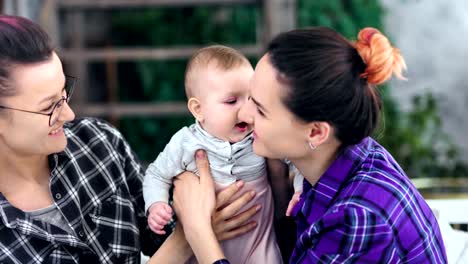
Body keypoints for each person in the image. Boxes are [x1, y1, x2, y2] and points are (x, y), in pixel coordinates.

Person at [160, 26, 448, 263]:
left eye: (260, 109)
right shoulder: (337, 162)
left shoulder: (359, 219)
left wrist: (197, 232)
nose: (245, 115)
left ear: (315, 133)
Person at [0, 15, 259, 264]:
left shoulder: (99, 143)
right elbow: (185, 236)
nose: (69, 114)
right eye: (49, 107)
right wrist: (190, 235)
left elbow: (158, 230)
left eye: (64, 93)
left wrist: (189, 198)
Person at [143, 45, 284, 263]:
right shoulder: (186, 142)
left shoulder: (259, 133)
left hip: (258, 244)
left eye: (250, 98)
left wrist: (298, 189)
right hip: (201, 251)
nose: (245, 110)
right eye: (231, 101)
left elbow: (291, 160)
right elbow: (156, 174)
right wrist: (156, 204)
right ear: (198, 110)